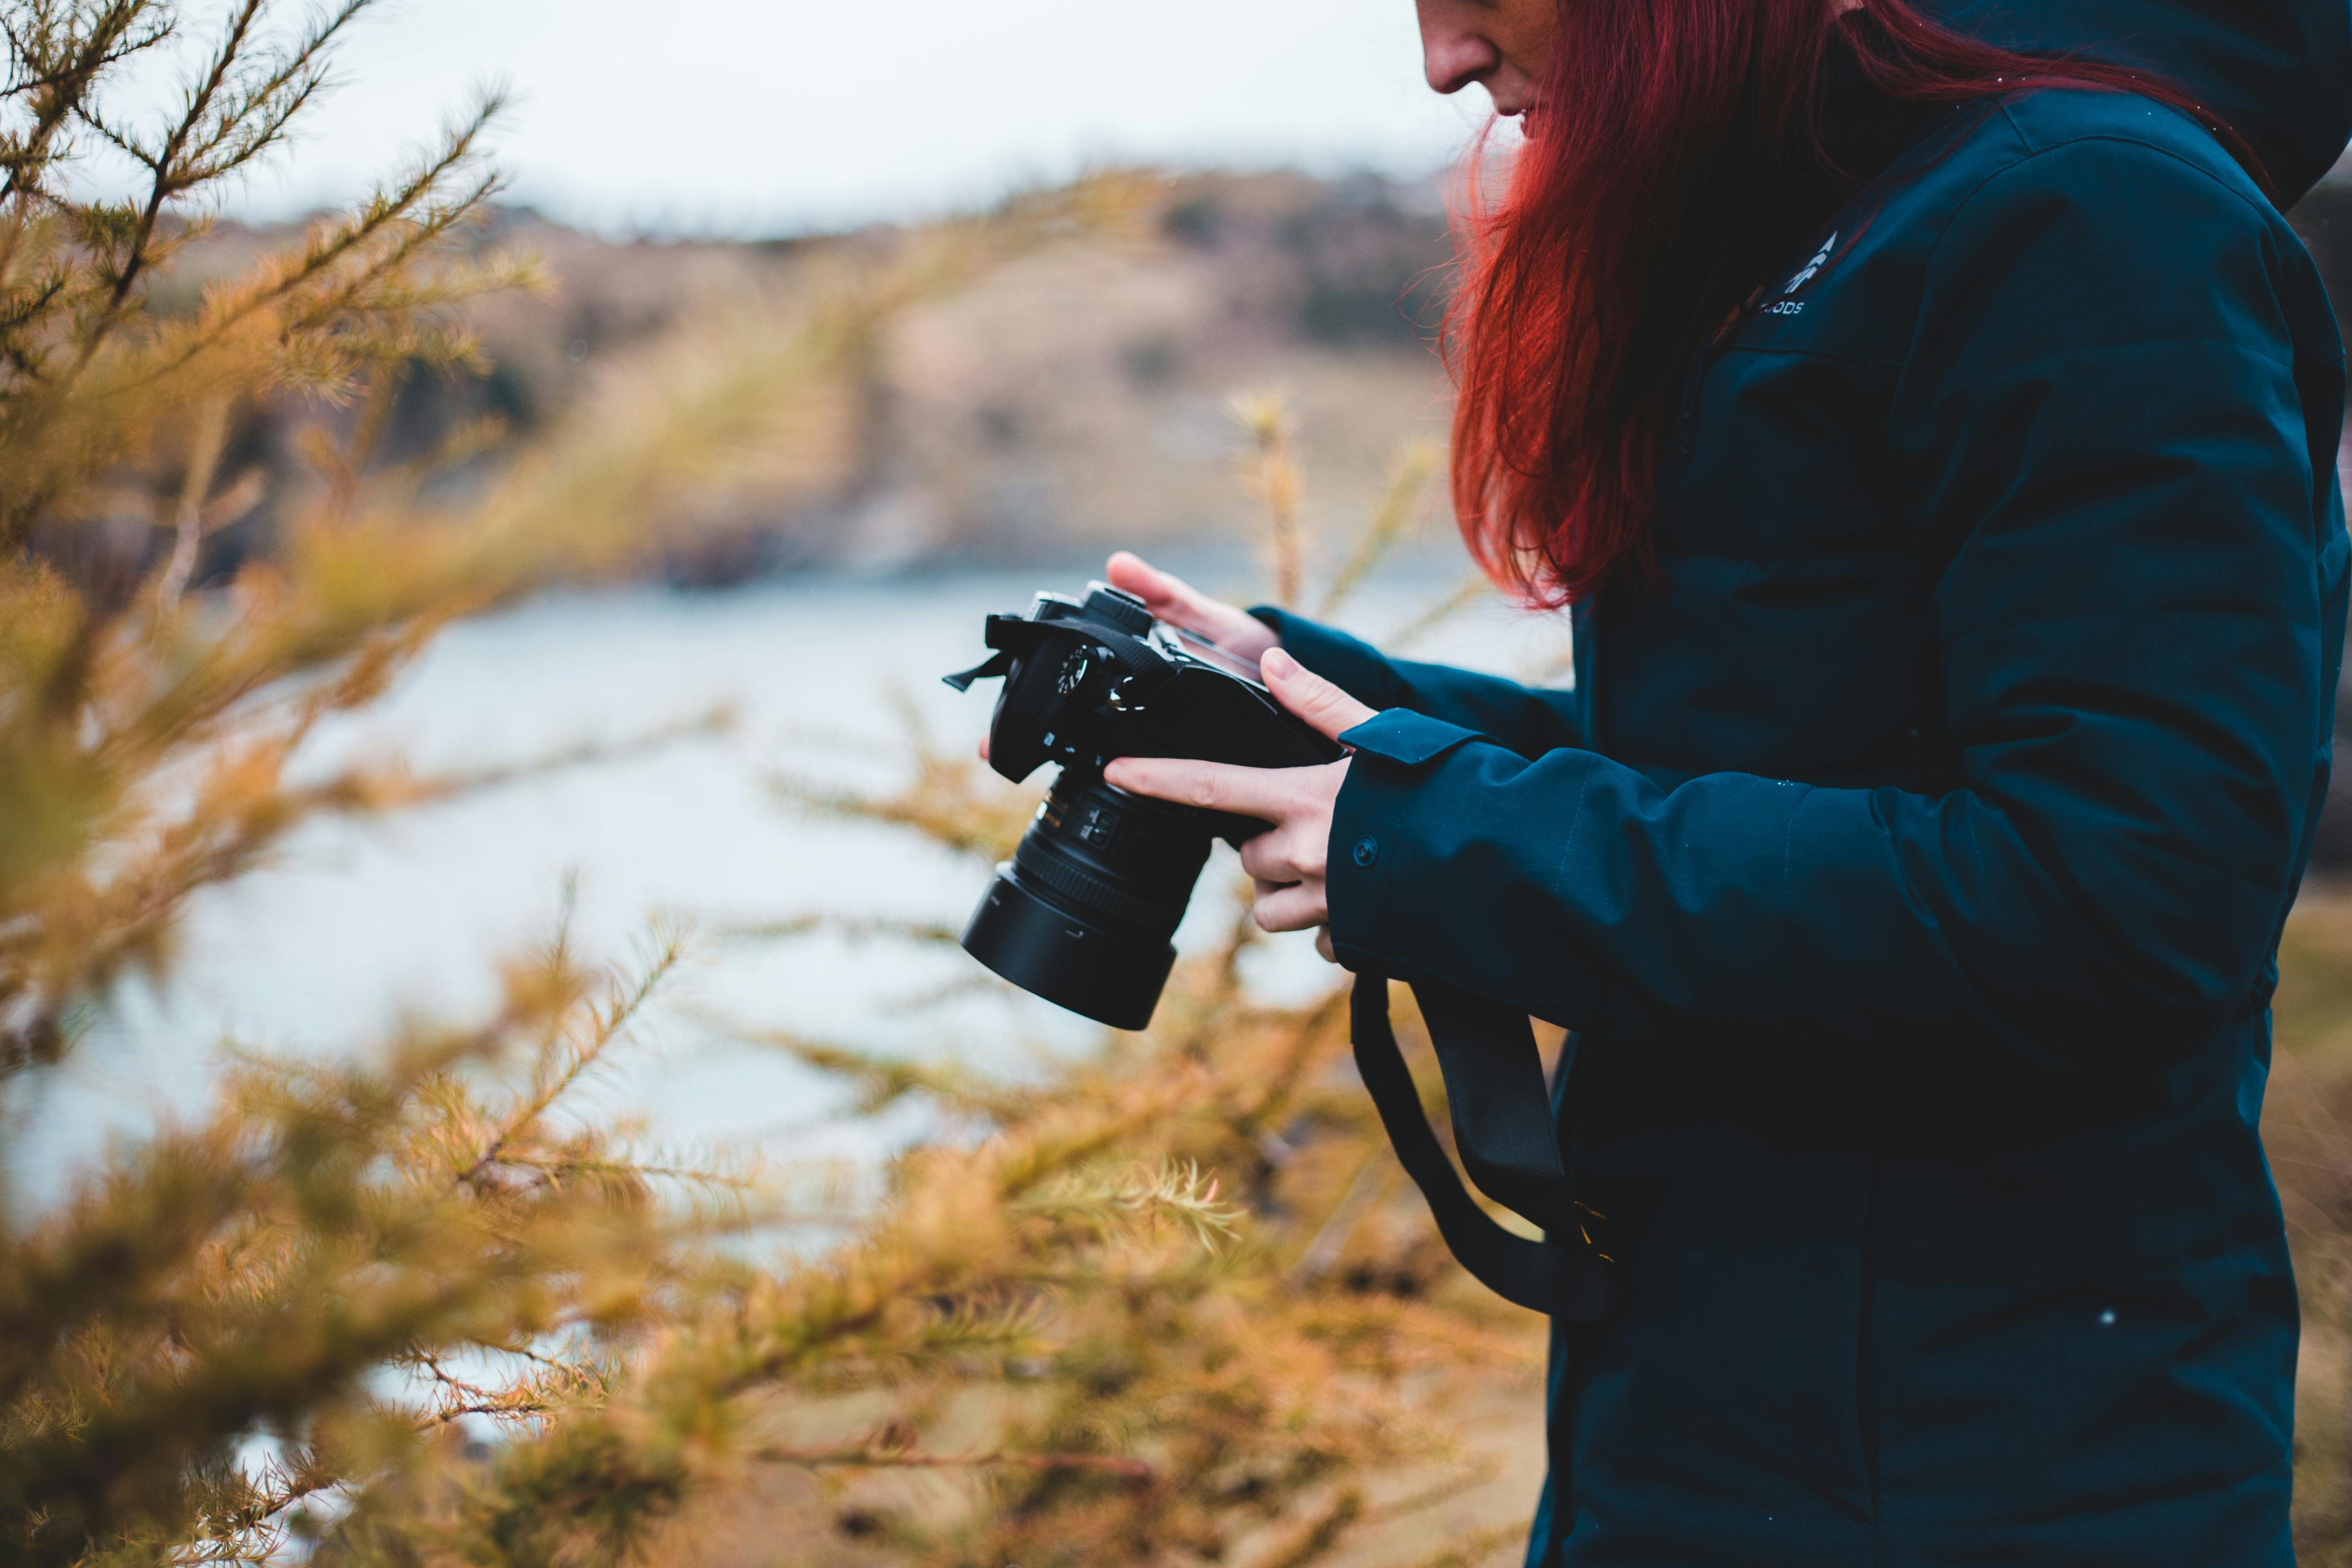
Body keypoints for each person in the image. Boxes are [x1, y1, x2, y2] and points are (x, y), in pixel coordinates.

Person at [1091, 0, 2352, 1562]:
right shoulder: (1837, 215)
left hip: (1986, 1482)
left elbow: (2114, 900)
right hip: (1702, 1435)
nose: (1441, 60)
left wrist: (1445, 844)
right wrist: (1329, 712)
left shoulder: (2089, 213)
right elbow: (1753, 771)